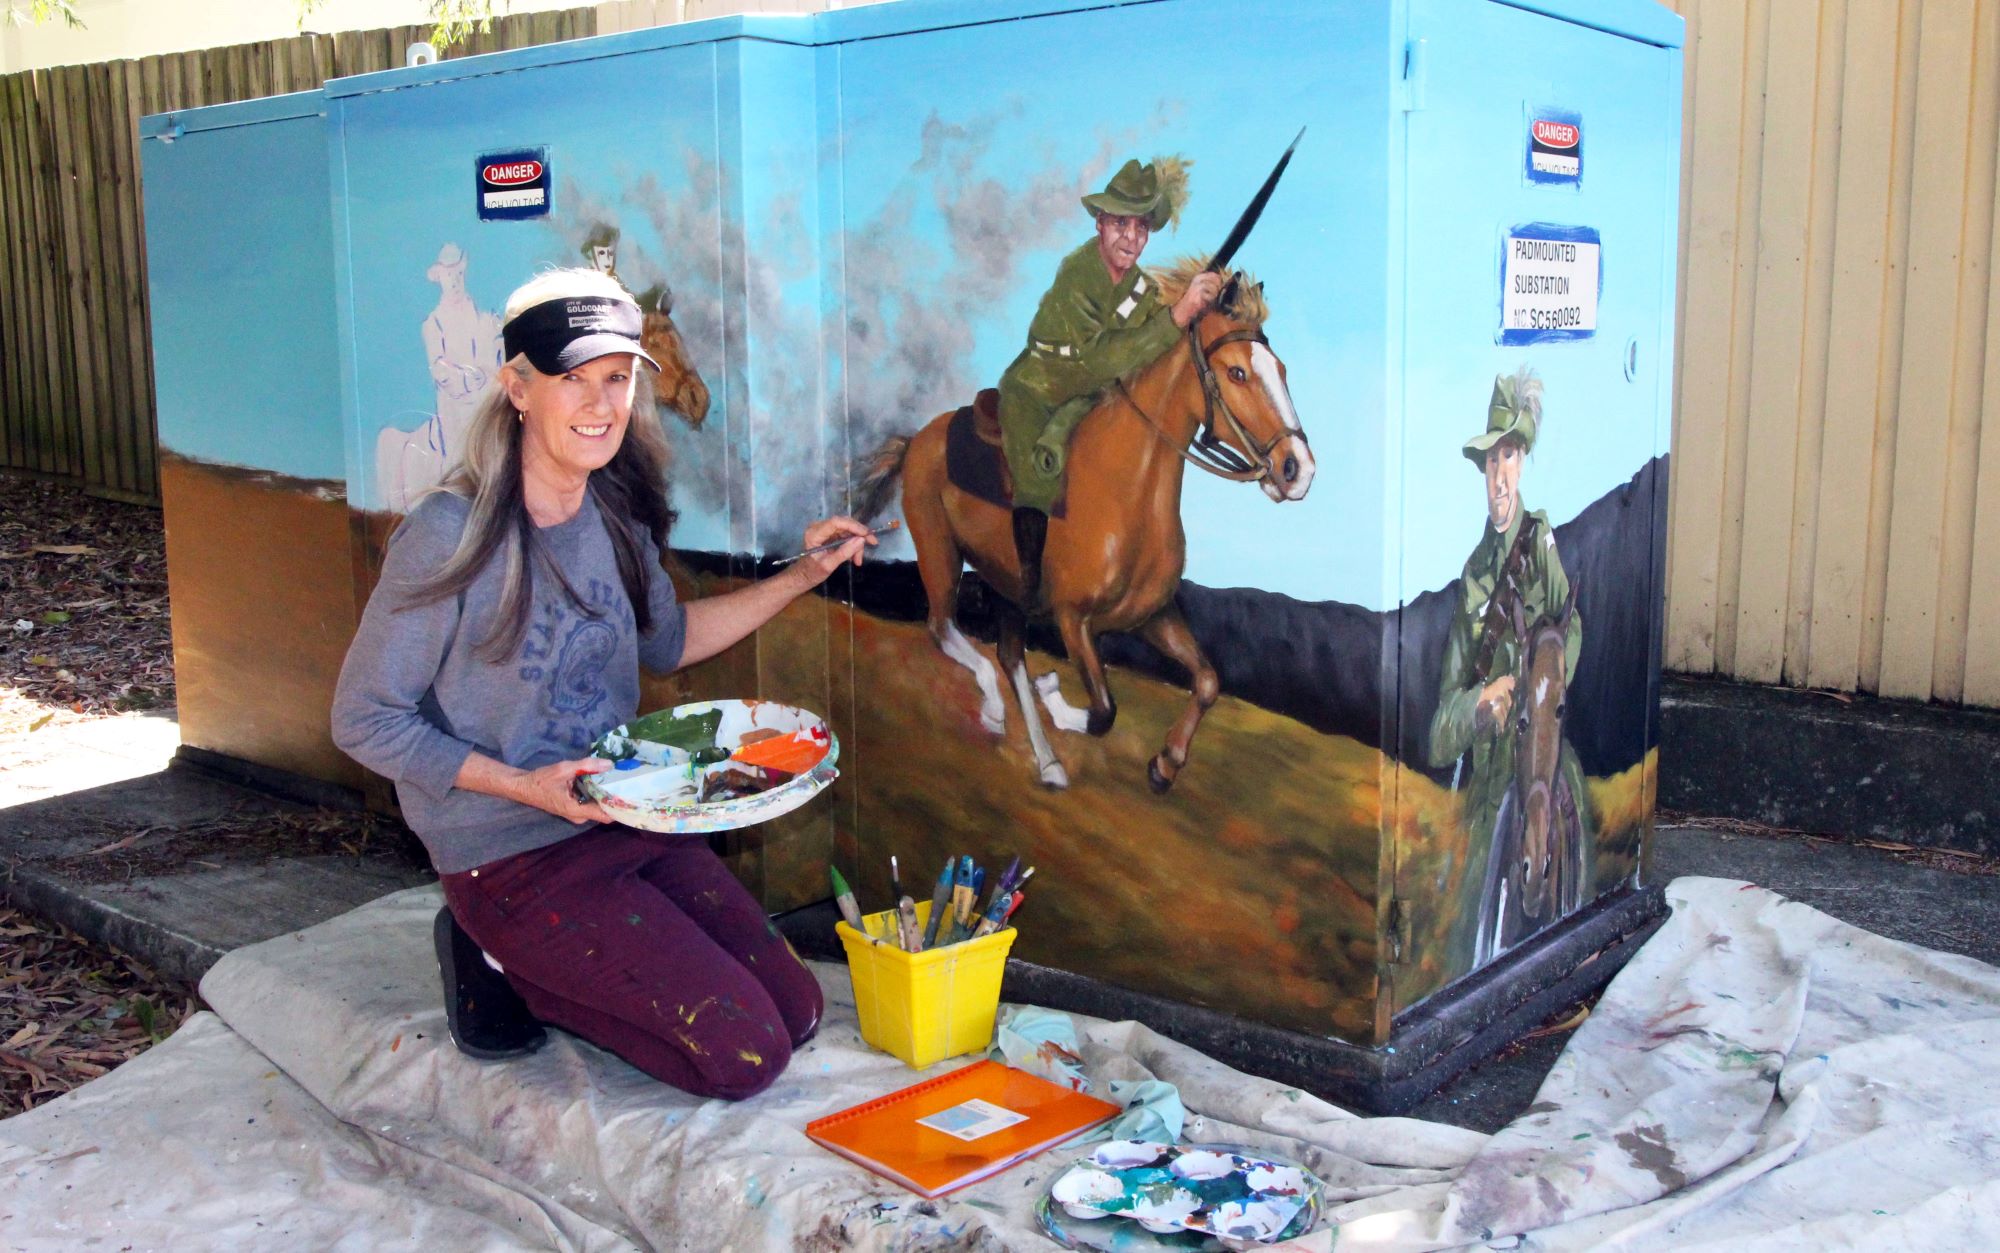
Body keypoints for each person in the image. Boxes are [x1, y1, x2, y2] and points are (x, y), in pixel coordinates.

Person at [331, 266, 874, 1100]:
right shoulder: (449, 533)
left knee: (799, 1010)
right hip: (508, 854)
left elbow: (670, 641)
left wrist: (806, 574)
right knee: (746, 1056)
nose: (599, 403)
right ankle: (494, 955)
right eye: (572, 379)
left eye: (616, 378)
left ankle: (548, 964)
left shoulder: (613, 516)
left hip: (626, 816)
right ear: (517, 387)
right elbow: (364, 718)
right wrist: (523, 787)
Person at [996, 156, 1222, 607]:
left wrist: (1193, 309)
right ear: (1100, 223)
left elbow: (1149, 340)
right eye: (1121, 223)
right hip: (1041, 388)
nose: (1131, 238)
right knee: (1038, 478)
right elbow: (1098, 360)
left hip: (1090, 393)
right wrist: (1177, 317)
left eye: (1141, 228)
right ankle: (1027, 586)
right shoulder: (1077, 274)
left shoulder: (1139, 287)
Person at [1425, 368, 1588, 963]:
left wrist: (1544, 683)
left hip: (1546, 757)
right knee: (1469, 930)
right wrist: (1480, 704)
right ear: (1482, 469)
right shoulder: (1471, 582)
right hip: (1492, 787)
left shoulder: (1539, 543)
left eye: (1510, 455)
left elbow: (1571, 629)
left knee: (1576, 837)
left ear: (1522, 463)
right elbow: (1440, 733)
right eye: (1491, 459)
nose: (1500, 473)